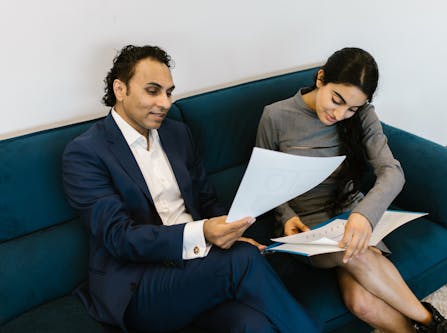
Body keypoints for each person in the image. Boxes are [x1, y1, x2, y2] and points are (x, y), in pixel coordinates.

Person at [62, 45, 321, 333]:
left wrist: (230, 234)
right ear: (120, 89)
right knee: (243, 261)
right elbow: (119, 237)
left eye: (169, 92)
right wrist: (204, 233)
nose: (165, 102)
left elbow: (207, 199)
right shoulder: (86, 152)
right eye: (152, 90)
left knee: (252, 324)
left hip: (199, 268)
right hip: (138, 284)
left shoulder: (177, 134)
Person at [256, 47, 447, 333]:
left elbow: (392, 171)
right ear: (320, 79)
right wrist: (286, 216)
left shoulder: (364, 116)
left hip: (351, 212)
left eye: (351, 108)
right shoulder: (275, 117)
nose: (340, 114)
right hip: (306, 227)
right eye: (336, 100)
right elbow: (264, 181)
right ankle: (434, 323)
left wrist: (364, 215)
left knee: (360, 302)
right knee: (355, 250)